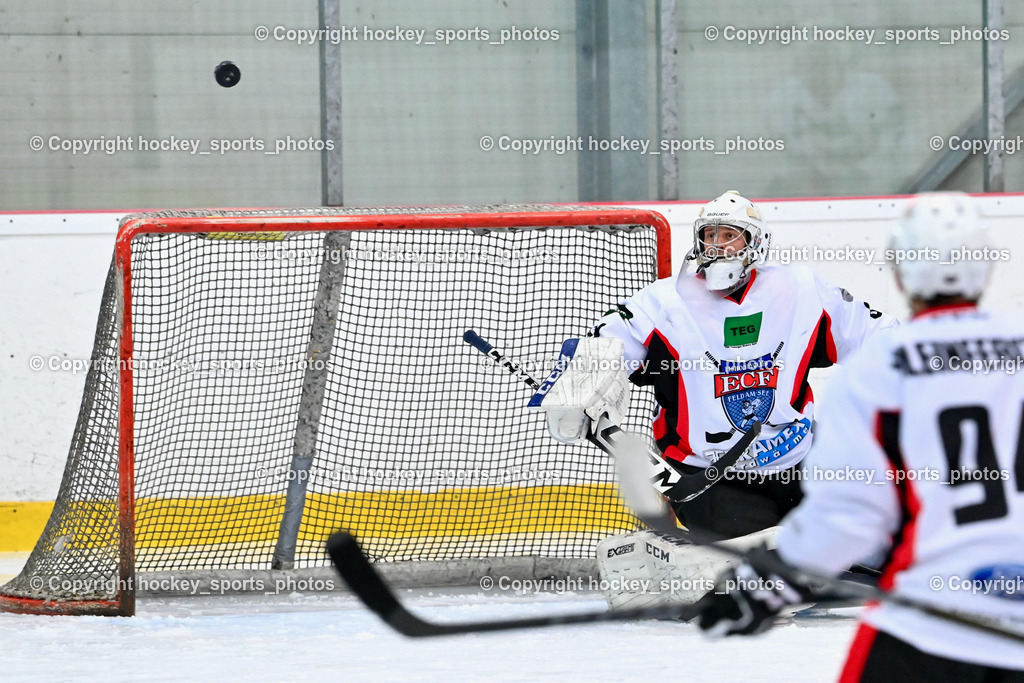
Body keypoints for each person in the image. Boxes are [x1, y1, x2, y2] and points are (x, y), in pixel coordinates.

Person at [697, 192, 1024, 681]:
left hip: (931, 622)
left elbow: (849, 518)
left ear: (901, 273)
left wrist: (764, 586)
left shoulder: (880, 368)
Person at [536, 190, 897, 539]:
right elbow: (603, 347)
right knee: (760, 561)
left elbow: (876, 335)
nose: (718, 244)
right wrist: (575, 390)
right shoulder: (664, 303)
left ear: (755, 242)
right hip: (706, 478)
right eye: (710, 235)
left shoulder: (800, 291)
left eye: (730, 235)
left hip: (800, 464)